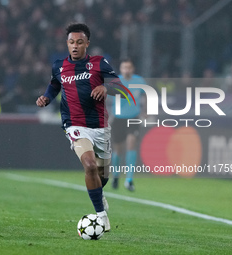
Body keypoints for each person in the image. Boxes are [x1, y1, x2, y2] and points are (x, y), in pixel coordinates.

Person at [36, 23, 124, 232]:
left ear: (87, 44)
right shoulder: (59, 66)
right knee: (90, 165)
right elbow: (54, 86)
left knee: (102, 175)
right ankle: (101, 216)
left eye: (79, 42)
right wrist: (46, 98)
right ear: (67, 43)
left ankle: (99, 196)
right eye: (71, 42)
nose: (75, 46)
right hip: (74, 124)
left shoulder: (99, 64)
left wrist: (105, 86)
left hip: (100, 126)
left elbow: (120, 87)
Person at [110, 59, 146, 191]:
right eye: (124, 67)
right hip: (118, 118)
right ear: (121, 69)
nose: (127, 70)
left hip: (134, 118)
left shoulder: (139, 81)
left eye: (129, 67)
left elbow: (146, 95)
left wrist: (145, 110)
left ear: (133, 69)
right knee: (118, 149)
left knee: (131, 144)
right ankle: (115, 176)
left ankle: (129, 180)